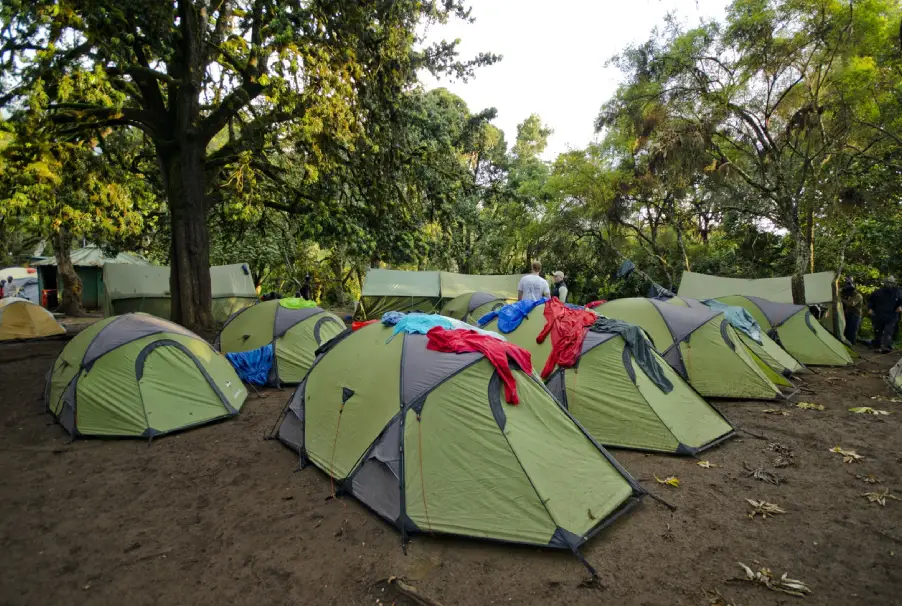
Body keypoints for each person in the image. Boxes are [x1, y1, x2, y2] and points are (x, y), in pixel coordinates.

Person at [868, 276, 902, 353]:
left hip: (892, 316)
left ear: (894, 283)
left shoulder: (898, 292)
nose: (889, 284)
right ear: (884, 283)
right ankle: (877, 346)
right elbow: (871, 301)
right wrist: (870, 308)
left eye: (891, 283)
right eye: (888, 283)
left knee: (888, 331)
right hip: (879, 315)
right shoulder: (878, 292)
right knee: (878, 331)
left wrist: (900, 306)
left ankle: (886, 347)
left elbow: (901, 301)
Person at [840, 278, 863, 345]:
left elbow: (851, 304)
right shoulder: (849, 295)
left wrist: (841, 299)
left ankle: (852, 344)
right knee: (846, 329)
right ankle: (847, 343)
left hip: (855, 315)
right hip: (848, 314)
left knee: (852, 330)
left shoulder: (858, 296)